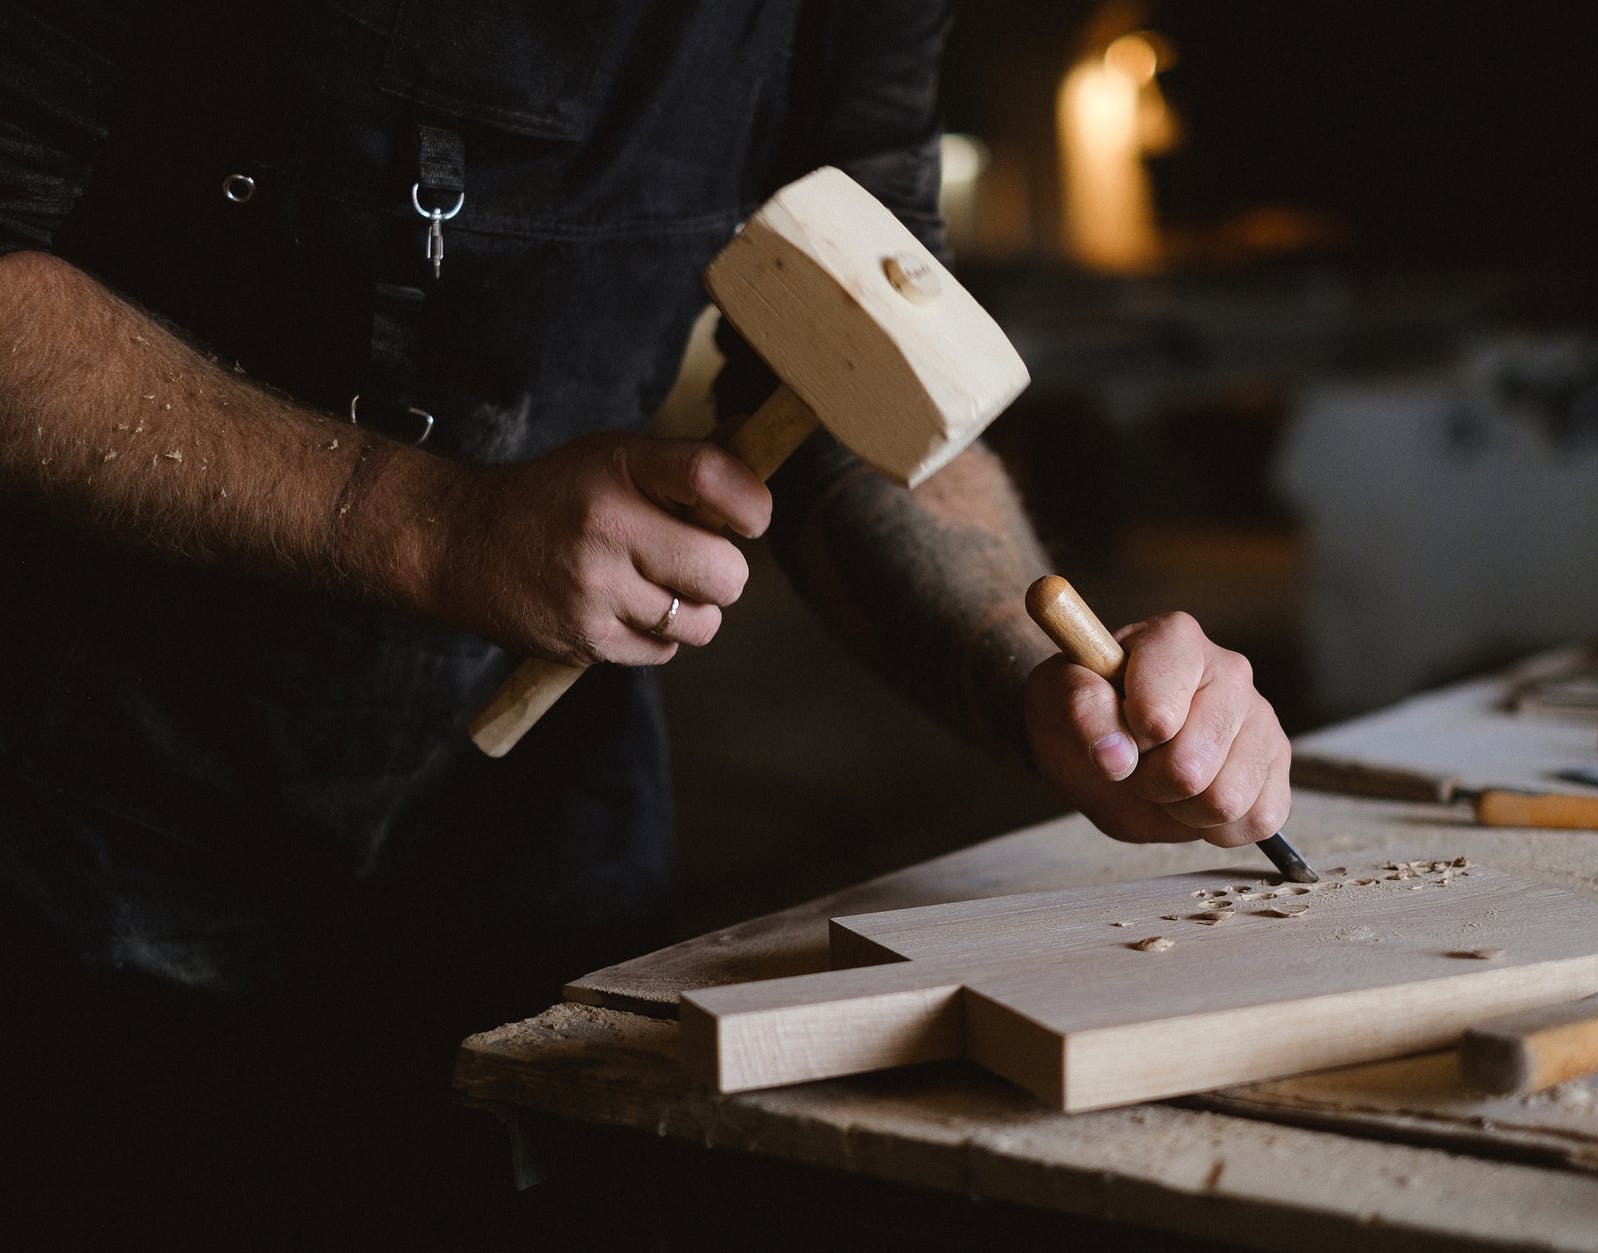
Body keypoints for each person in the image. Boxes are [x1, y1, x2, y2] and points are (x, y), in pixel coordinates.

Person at [0, 0, 1291, 1238]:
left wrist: (1040, 682)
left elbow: (858, 353)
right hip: (90, 809)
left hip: (540, 827)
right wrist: (422, 522)